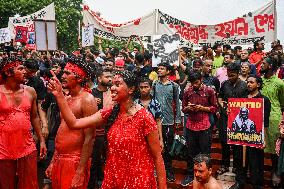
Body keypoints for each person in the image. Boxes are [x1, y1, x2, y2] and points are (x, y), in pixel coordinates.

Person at [48, 70, 167, 189]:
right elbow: (74, 123)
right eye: (112, 85)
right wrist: (59, 96)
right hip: (113, 178)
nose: (112, 88)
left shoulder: (144, 117)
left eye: (117, 84)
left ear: (131, 90)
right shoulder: (111, 112)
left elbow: (157, 156)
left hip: (138, 180)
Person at [45, 58, 97, 189]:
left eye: (68, 73)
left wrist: (80, 171)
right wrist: (53, 161)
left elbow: (89, 138)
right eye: (64, 72)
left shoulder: (87, 99)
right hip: (60, 159)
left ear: (79, 78)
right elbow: (61, 131)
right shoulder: (67, 98)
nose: (63, 76)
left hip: (75, 161)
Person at [0, 57, 47, 188]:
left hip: (27, 147)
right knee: (6, 185)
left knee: (30, 184)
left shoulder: (30, 91)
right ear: (8, 73)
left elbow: (34, 117)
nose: (25, 71)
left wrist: (42, 140)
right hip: (3, 149)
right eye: (20, 69)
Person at [229, 74, 271, 189]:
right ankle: (239, 181)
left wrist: (264, 139)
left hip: (255, 138)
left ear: (258, 84)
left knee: (255, 163)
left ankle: (257, 185)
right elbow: (234, 115)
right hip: (240, 137)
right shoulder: (241, 98)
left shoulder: (264, 100)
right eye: (247, 82)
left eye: (251, 82)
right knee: (239, 161)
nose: (248, 84)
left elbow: (265, 123)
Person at [181, 71, 217, 186]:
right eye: (192, 83)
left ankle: (206, 175)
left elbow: (214, 108)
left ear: (201, 79)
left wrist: (202, 108)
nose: (195, 85)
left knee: (205, 153)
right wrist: (189, 108)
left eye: (196, 82)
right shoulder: (187, 91)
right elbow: (183, 109)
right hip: (191, 125)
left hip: (204, 125)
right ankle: (191, 174)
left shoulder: (209, 91)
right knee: (191, 152)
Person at [217, 63, 248, 176]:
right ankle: (224, 165)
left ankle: (236, 166)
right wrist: (221, 105)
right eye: (229, 75)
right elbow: (220, 97)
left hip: (239, 119)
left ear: (238, 73)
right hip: (225, 117)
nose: (230, 78)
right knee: (224, 142)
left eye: (233, 75)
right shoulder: (224, 84)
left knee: (236, 144)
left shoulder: (244, 86)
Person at [153, 62, 181, 182]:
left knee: (168, 148)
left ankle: (168, 171)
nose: (159, 71)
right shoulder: (154, 84)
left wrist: (178, 119)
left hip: (169, 121)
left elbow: (177, 103)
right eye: (158, 69)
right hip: (155, 121)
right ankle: (157, 169)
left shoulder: (174, 86)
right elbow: (151, 101)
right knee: (157, 146)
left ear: (168, 71)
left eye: (162, 69)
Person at [260, 56, 284, 187]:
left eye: (263, 63)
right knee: (260, 146)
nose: (261, 65)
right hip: (258, 117)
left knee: (275, 149)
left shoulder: (280, 83)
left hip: (274, 118)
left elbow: (282, 103)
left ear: (270, 66)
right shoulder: (259, 81)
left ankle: (275, 171)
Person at [88, 68, 113, 189]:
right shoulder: (91, 93)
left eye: (110, 76)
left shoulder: (113, 93)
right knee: (94, 160)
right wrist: (92, 103)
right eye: (107, 76)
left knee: (108, 159)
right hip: (95, 132)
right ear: (99, 79)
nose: (110, 79)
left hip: (110, 131)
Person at [135, 77, 164, 150]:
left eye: (146, 87)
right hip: (138, 136)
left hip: (152, 135)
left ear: (150, 88)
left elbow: (158, 122)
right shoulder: (134, 103)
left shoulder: (155, 103)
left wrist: (161, 140)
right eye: (141, 87)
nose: (143, 90)